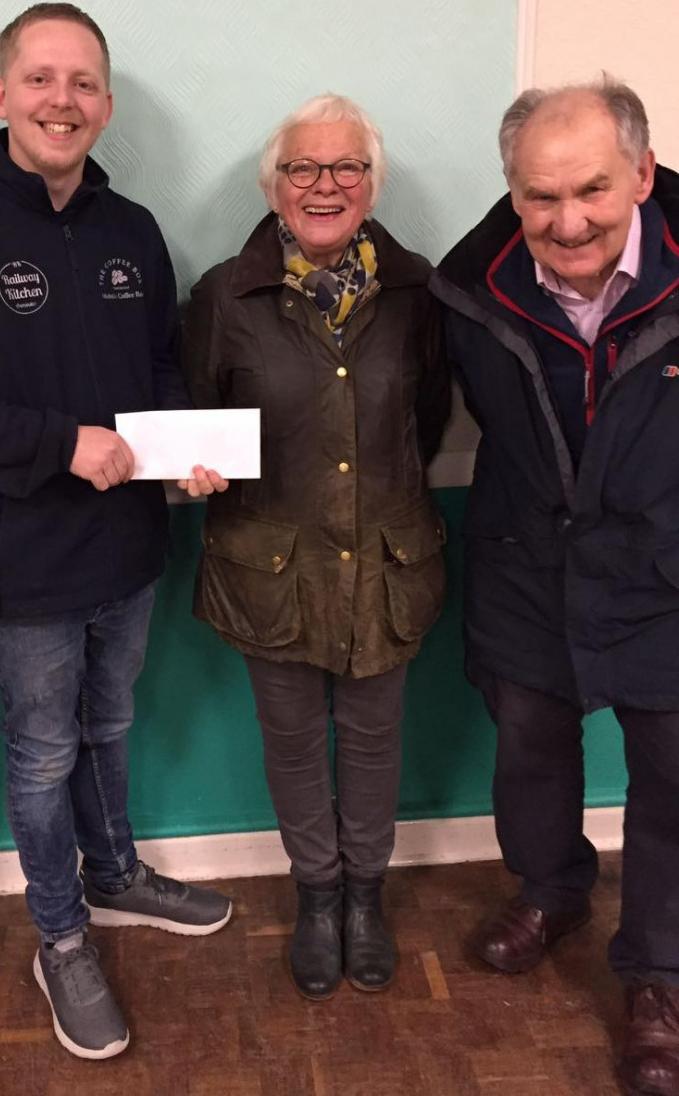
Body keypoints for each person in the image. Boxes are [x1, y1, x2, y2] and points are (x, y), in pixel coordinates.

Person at [0, 1, 231, 1061]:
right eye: (39, 79)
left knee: (109, 725)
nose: (60, 100)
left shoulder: (133, 233)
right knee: (39, 757)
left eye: (81, 83)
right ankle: (60, 932)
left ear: (106, 104)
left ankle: (115, 871)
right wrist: (59, 445)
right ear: (1, 96)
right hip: (14, 555)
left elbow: (162, 369)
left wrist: (181, 455)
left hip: (127, 550)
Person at [431, 78, 679, 1096]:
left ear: (641, 175)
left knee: (672, 780)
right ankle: (551, 885)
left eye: (590, 190)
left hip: (666, 570)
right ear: (510, 187)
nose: (565, 220)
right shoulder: (464, 284)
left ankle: (659, 976)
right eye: (539, 196)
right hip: (525, 561)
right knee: (528, 749)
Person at [183, 94, 449, 1000]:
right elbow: (191, 416)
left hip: (386, 561)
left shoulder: (419, 292)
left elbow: (431, 416)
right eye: (304, 168)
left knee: (375, 740)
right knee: (293, 742)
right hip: (271, 568)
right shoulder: (225, 294)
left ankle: (366, 900)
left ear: (372, 185)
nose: (324, 184)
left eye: (346, 168)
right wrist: (192, 470)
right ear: (275, 185)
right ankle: (318, 897)